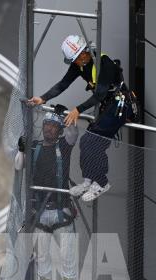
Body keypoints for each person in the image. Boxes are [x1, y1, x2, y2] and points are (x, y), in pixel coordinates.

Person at [28, 35, 127, 201]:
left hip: (119, 106)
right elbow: (63, 84)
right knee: (86, 142)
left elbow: (100, 93)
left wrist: (77, 110)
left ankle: (102, 183)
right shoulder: (79, 65)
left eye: (77, 58)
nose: (76, 62)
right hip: (107, 106)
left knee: (94, 142)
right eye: (74, 60)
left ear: (85, 53)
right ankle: (89, 180)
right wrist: (43, 98)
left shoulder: (105, 64)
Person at [15, 108, 79, 280]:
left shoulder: (64, 148)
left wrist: (67, 118)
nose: (48, 129)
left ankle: (68, 279)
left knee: (67, 248)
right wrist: (21, 149)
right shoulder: (34, 147)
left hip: (61, 209)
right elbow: (18, 165)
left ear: (59, 131)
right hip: (39, 210)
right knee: (41, 249)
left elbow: (73, 134)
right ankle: (45, 278)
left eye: (53, 126)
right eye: (46, 125)